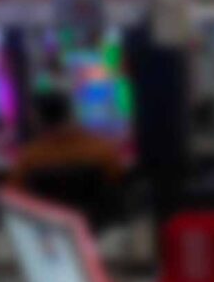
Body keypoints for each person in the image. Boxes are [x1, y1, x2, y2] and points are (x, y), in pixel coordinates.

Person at [8, 90, 127, 225]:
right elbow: (116, 180)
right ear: (70, 115)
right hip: (94, 224)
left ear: (38, 120)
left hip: (50, 226)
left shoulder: (30, 157)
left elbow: (13, 192)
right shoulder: (101, 150)